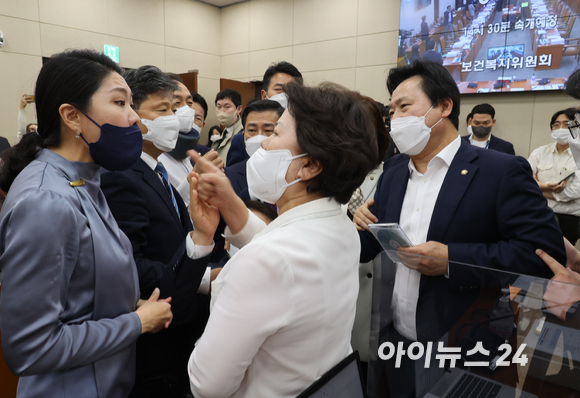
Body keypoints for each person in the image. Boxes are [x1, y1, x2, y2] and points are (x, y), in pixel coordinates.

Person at [187, 82, 388, 398]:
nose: (262, 144)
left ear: (309, 165)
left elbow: (207, 384)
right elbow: (283, 246)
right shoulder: (341, 224)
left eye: (275, 134)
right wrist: (230, 204)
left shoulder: (266, 260)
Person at [0, 49, 172, 398]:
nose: (135, 118)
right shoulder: (45, 200)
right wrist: (135, 323)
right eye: (120, 103)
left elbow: (78, 290)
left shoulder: (84, 180)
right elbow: (32, 347)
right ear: (72, 116)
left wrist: (124, 305)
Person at [356, 60, 565, 345]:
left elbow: (541, 255)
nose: (396, 118)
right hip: (396, 339)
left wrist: (451, 260)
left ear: (444, 107)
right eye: (391, 111)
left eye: (404, 107)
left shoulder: (501, 171)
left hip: (466, 341)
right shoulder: (392, 171)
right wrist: (357, 226)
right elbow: (372, 243)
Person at [99, 65, 216, 398]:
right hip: (156, 326)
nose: (175, 118)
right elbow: (132, 266)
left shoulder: (156, 167)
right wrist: (203, 278)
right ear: (134, 114)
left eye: (174, 109)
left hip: (178, 317)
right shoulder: (122, 175)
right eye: (162, 110)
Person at [159, 74, 224, 206]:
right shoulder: (157, 159)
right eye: (177, 103)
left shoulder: (186, 155)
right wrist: (194, 181)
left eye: (189, 103)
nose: (186, 110)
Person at [226, 61, 303, 167]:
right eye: (278, 90)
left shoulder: (307, 135)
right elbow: (235, 176)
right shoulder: (243, 139)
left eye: (292, 90)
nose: (286, 95)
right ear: (264, 95)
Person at [528, 108, 580, 244]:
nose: (560, 128)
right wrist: (545, 187)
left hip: (569, 219)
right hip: (539, 213)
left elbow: (574, 192)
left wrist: (537, 188)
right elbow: (523, 179)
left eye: (566, 124)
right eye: (556, 125)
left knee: (562, 258)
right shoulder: (539, 152)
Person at [225, 99, 284, 202]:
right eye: (252, 130)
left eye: (268, 131)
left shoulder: (296, 176)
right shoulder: (227, 177)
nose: (259, 138)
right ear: (243, 138)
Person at [211, 89, 243, 161]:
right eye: (219, 107)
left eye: (227, 107)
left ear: (239, 109)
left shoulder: (243, 133)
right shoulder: (225, 133)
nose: (222, 111)